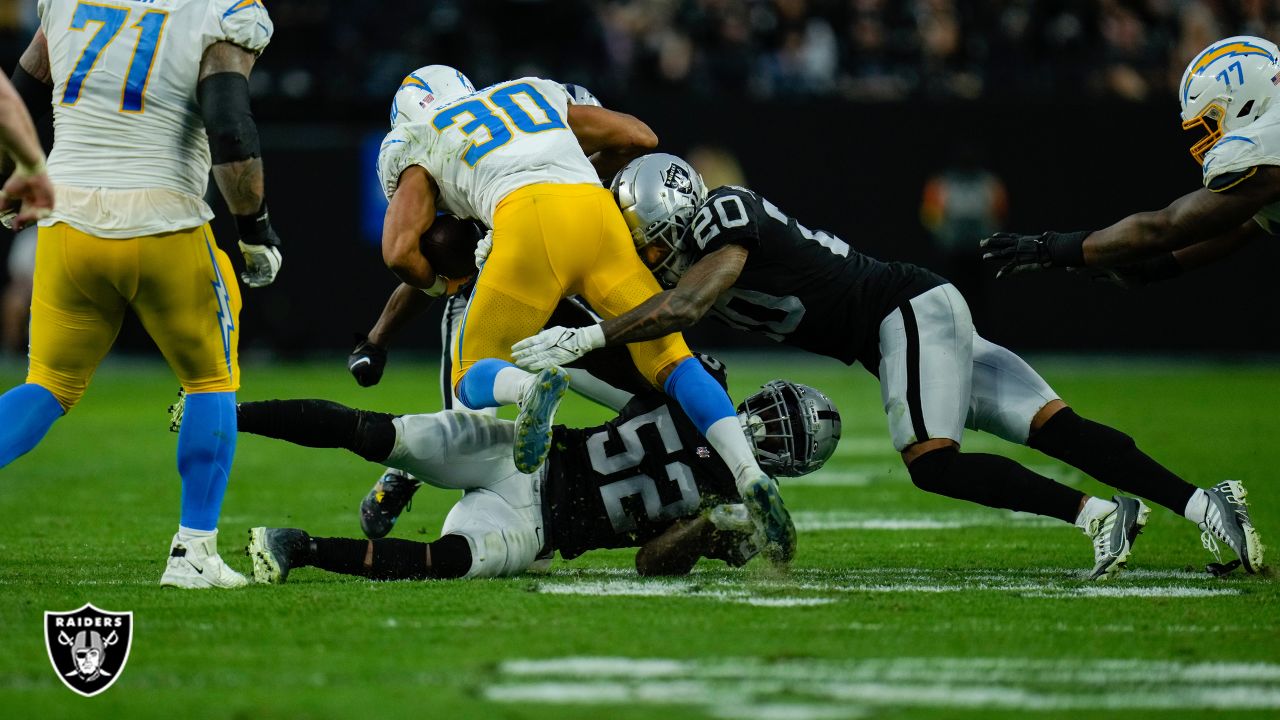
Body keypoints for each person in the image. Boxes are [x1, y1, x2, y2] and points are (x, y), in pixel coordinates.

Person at [513, 153, 1264, 578]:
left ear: (673, 218)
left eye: (647, 239)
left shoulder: (723, 217)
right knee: (1054, 427)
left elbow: (679, 310)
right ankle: (1207, 506)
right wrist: (563, 319)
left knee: (931, 462)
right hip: (903, 323)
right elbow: (653, 318)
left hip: (900, 312)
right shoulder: (690, 243)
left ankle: (1099, 515)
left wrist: (583, 339)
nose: (645, 256)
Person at [374, 66, 796, 563]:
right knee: (674, 362)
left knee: (471, 373)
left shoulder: (418, 138)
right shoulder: (526, 92)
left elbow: (399, 252)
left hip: (527, 222)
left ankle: (527, 389)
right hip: (597, 217)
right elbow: (640, 136)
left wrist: (444, 282)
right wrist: (574, 172)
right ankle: (749, 473)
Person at [0, 0, 286, 588]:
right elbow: (229, 123)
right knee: (211, 380)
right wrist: (255, 228)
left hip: (68, 220)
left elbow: (23, 86)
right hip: (165, 219)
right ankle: (194, 553)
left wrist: (23, 167)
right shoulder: (223, 10)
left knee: (46, 385)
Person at [242, 377, 840, 583]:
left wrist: (705, 528)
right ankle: (229, 414)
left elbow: (651, 563)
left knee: (449, 560)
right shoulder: (695, 385)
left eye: (785, 436)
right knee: (378, 433)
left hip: (534, 528)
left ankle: (301, 547)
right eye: (774, 414)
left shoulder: (746, 508)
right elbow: (602, 376)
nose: (768, 430)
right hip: (524, 455)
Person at [979, 36, 1280, 284]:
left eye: (1212, 119)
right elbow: (1245, 220)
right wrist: (1160, 265)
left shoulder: (1266, 141)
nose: (1212, 135)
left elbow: (1166, 226)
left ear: (1245, 101)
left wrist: (1054, 248)